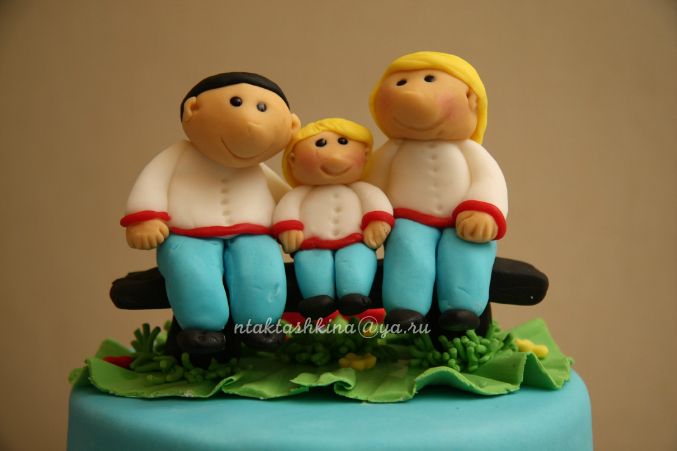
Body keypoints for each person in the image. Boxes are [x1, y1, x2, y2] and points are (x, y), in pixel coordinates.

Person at [121, 72, 300, 352]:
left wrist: (297, 223)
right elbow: (151, 183)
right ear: (192, 109)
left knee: (264, 269)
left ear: (292, 127)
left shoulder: (257, 170)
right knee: (191, 271)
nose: (252, 120)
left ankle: (260, 324)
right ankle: (201, 328)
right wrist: (145, 218)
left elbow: (287, 199)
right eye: (237, 102)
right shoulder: (178, 155)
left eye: (262, 108)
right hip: (188, 236)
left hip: (254, 235)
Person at [366, 52, 508, 332]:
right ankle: (405, 308)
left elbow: (489, 180)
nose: (410, 92)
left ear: (471, 99)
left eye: (430, 79)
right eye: (401, 82)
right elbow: (370, 187)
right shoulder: (390, 152)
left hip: (461, 223)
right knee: (407, 251)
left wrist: (483, 211)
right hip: (408, 220)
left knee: (467, 254)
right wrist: (374, 215)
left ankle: (462, 308)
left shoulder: (470, 151)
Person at [273, 118, 394, 319]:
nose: (334, 154)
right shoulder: (298, 195)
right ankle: (317, 298)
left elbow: (378, 205)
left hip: (355, 242)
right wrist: (289, 229)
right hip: (312, 246)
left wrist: (377, 222)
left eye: (343, 142)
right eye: (320, 144)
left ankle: (354, 294)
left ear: (365, 155)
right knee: (312, 266)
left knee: (356, 262)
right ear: (292, 160)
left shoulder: (362, 189)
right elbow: (286, 211)